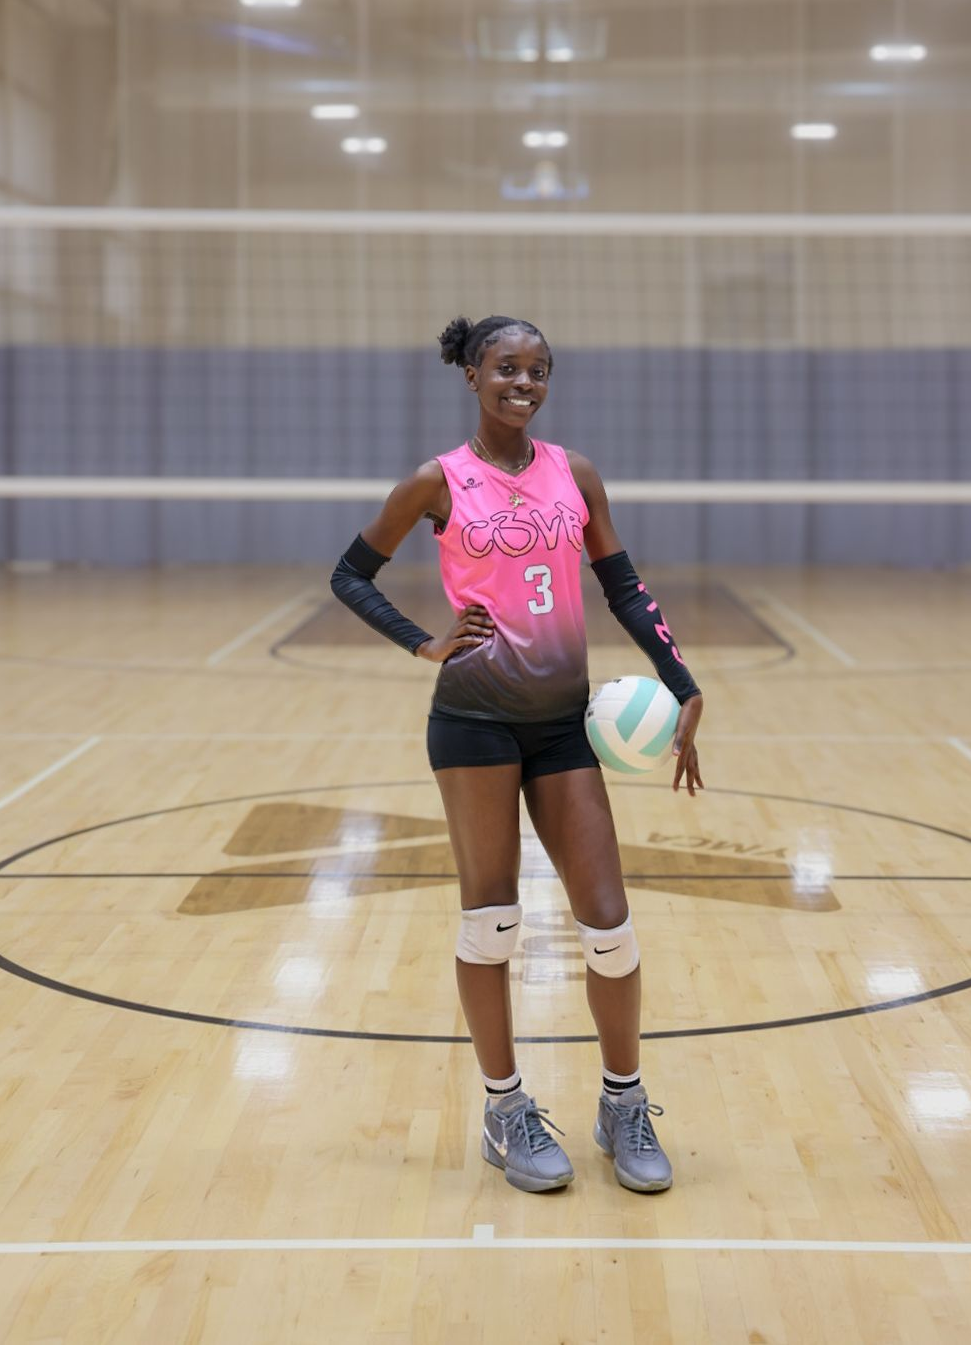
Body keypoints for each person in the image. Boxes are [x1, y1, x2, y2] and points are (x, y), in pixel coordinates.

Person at [331, 314, 703, 1195]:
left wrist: (681, 680)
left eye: (538, 369)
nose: (523, 382)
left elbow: (624, 587)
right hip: (472, 722)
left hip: (561, 722)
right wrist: (422, 642)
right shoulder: (436, 481)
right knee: (490, 921)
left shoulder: (573, 474)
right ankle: (505, 1107)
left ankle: (622, 1102)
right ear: (471, 374)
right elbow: (350, 573)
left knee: (608, 926)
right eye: (505, 367)